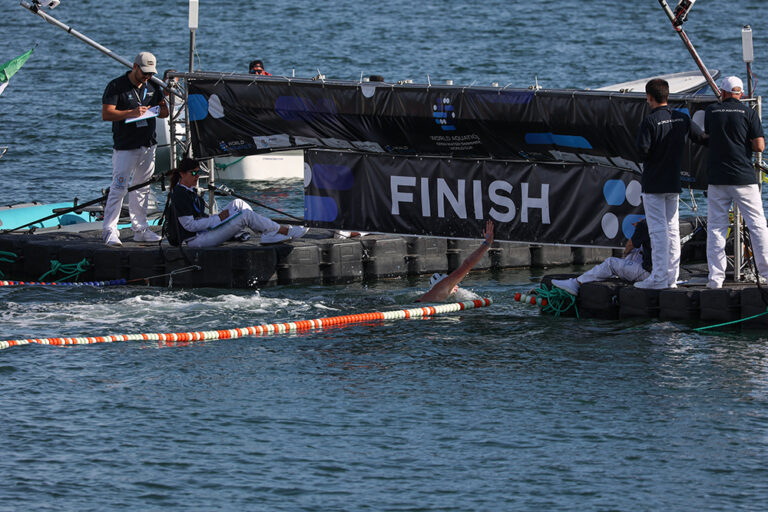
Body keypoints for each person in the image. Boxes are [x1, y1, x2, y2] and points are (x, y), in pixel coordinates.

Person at [703, 76, 767, 289]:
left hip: (718, 178)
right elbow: (759, 147)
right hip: (743, 178)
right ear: (740, 94)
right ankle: (765, 272)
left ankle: (716, 278)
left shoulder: (712, 112)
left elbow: (709, 136)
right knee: (757, 225)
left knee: (716, 228)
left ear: (722, 93)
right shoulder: (749, 113)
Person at [101, 51, 169, 247]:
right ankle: (109, 230)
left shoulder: (153, 84)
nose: (147, 77)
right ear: (135, 67)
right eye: (144, 73)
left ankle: (140, 229)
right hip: (125, 147)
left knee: (142, 188)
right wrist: (131, 112)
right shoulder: (116, 86)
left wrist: (159, 108)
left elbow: (164, 111)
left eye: (150, 73)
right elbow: (107, 114)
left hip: (148, 145)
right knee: (119, 187)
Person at [164, 157, 307, 248]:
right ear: (182, 174)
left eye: (198, 172)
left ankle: (268, 233)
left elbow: (200, 217)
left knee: (238, 203)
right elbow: (190, 226)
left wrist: (216, 219)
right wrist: (218, 218)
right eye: (193, 173)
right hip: (195, 240)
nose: (197, 176)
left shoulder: (190, 191)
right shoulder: (180, 194)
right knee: (245, 215)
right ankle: (284, 230)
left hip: (204, 231)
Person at [632, 78, 692, 290]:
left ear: (649, 97)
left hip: (654, 183)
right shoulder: (681, 118)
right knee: (672, 231)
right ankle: (671, 278)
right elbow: (698, 136)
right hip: (673, 182)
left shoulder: (649, 121)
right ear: (667, 95)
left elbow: (642, 151)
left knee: (657, 232)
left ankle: (657, 279)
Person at [551, 219, 652, 296]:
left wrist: (625, 254)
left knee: (610, 263)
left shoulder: (645, 224)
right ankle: (615, 273)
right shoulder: (665, 222)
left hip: (649, 273)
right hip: (664, 273)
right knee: (638, 251)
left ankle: (576, 283)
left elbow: (630, 245)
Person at [417, 220, 494, 302]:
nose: (456, 285)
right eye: (453, 283)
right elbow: (467, 264)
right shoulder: (442, 289)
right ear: (446, 282)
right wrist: (487, 243)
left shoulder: (432, 296)